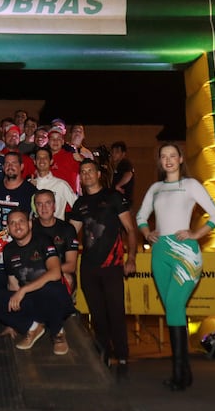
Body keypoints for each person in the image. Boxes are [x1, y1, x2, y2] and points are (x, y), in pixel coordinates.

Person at [135, 142, 215, 391]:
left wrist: (197, 234)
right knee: (173, 311)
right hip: (160, 252)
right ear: (160, 162)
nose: (169, 160)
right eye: (164, 156)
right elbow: (141, 216)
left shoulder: (191, 185)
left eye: (173, 155)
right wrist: (146, 233)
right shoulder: (155, 188)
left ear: (181, 159)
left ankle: (179, 374)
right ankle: (184, 372)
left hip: (185, 252)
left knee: (174, 306)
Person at [67, 158, 137, 381]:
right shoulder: (80, 204)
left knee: (116, 313)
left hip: (112, 266)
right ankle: (104, 354)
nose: (86, 175)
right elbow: (70, 233)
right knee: (97, 315)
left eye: (90, 171)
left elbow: (130, 229)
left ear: (98, 174)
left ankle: (123, 358)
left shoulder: (113, 197)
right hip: (87, 267)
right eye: (83, 172)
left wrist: (132, 258)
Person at [0, 209, 75, 355]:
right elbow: (12, 283)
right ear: (8, 228)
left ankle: (58, 333)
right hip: (30, 301)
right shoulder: (8, 250)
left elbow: (55, 273)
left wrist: (23, 290)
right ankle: (32, 327)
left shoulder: (43, 240)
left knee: (53, 287)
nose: (17, 226)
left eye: (21, 221)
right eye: (13, 223)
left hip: (52, 300)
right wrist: (12, 320)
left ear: (30, 224)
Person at [31, 189, 79, 297]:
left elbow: (71, 265)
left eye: (48, 203)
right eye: (39, 204)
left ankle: (64, 311)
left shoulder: (67, 229)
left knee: (67, 277)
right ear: (35, 207)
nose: (44, 208)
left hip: (58, 274)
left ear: (54, 206)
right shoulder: (30, 228)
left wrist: (47, 274)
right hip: (33, 273)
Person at [30, 146, 77, 220]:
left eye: (45, 158)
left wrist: (71, 228)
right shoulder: (29, 184)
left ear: (51, 161)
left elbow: (77, 207)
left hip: (57, 229)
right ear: (35, 162)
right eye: (39, 158)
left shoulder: (61, 184)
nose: (42, 160)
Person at [110, 141, 135, 208]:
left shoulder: (124, 163)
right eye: (113, 152)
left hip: (123, 201)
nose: (114, 154)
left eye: (117, 152)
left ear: (123, 153)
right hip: (120, 200)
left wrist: (118, 185)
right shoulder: (119, 165)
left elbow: (129, 174)